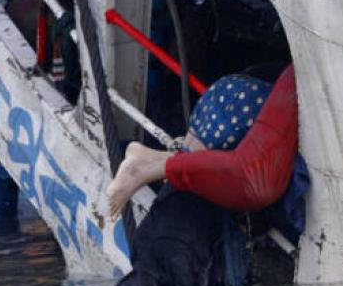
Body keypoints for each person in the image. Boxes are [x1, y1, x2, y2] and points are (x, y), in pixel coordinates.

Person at [107, 64, 298, 215]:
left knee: (196, 158)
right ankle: (145, 169)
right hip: (244, 108)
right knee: (247, 182)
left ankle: (149, 158)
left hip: (237, 94)